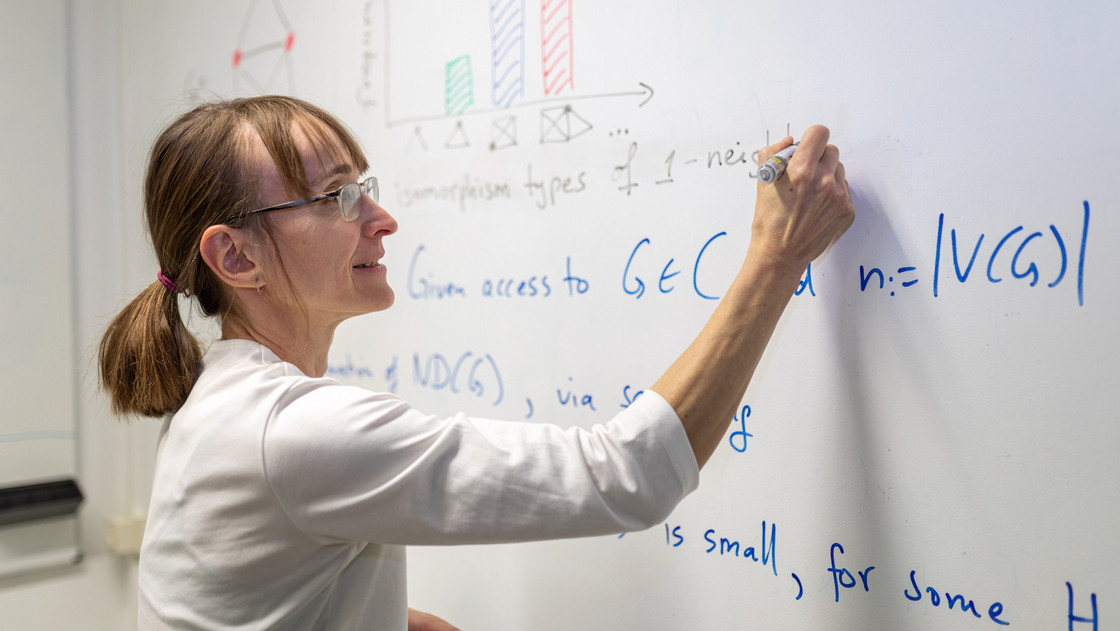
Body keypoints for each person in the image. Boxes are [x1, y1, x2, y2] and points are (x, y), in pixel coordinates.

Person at [98, 95, 853, 630]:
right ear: (235, 255)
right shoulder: (290, 433)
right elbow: (630, 474)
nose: (382, 219)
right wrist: (775, 258)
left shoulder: (215, 402)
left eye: (367, 188)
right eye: (338, 196)